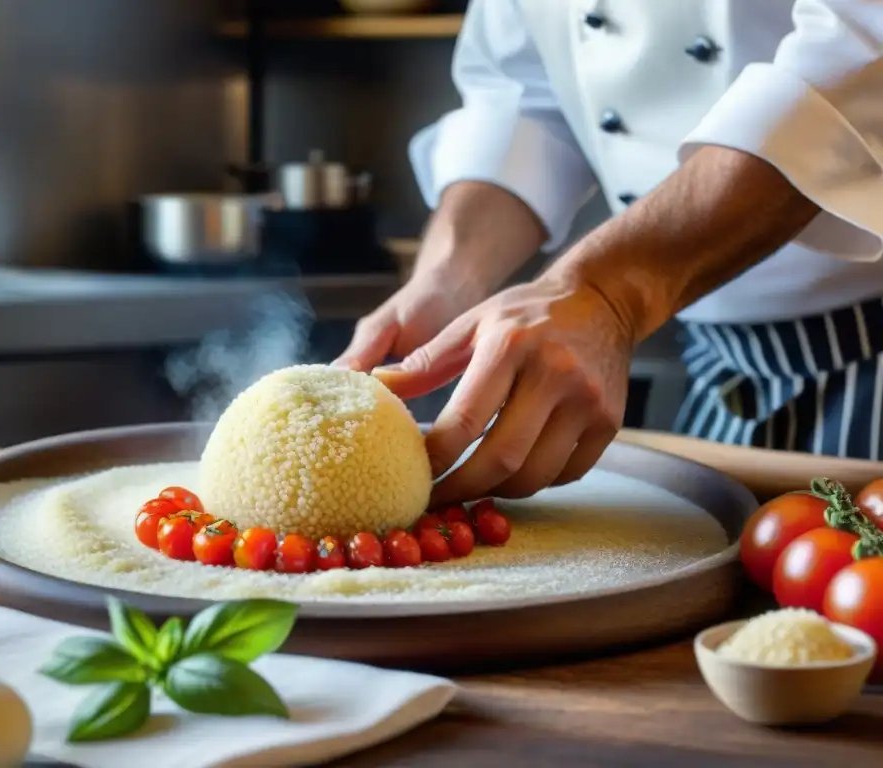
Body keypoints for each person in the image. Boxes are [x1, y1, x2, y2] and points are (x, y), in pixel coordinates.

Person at [334, 0, 883, 506]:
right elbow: (523, 95)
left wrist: (608, 292)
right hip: (719, 376)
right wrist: (448, 277)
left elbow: (857, 65)